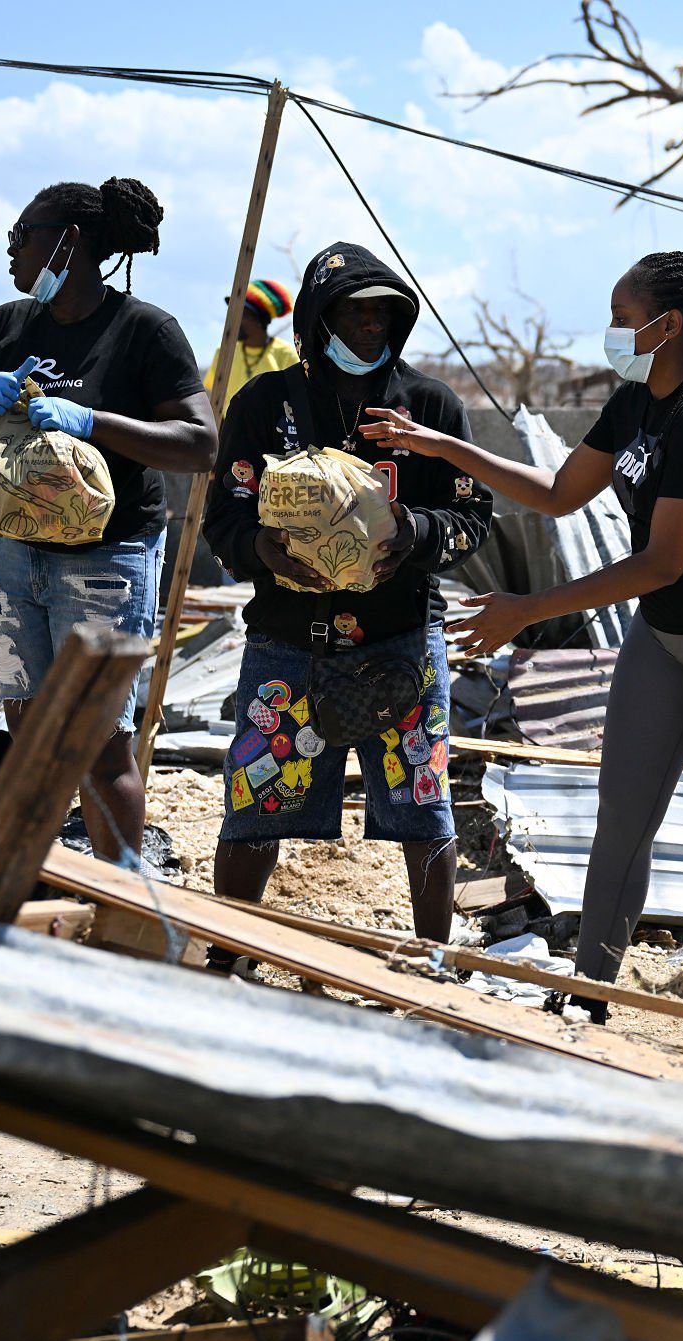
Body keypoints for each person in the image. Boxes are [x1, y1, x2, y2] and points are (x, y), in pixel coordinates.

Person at [357, 250, 683, 1080]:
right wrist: (439, 443)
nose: (611, 332)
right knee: (622, 820)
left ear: (668, 326)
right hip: (666, 633)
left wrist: (526, 610)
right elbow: (556, 492)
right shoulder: (635, 402)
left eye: (622, 317)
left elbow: (662, 562)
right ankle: (589, 1001)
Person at [201, 242, 491, 962]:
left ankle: (429, 964)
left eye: (383, 314)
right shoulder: (264, 405)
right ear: (317, 319)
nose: (370, 326)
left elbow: (472, 514)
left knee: (423, 803)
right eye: (354, 313)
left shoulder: (428, 407)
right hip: (286, 640)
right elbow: (223, 513)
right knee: (256, 801)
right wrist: (260, 547)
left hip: (400, 641)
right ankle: (227, 956)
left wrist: (415, 533)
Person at [0, 177, 215, 863]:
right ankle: (31, 875)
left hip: (106, 560)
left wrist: (93, 422)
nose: (11, 250)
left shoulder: (144, 331)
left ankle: (118, 893)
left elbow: (201, 444)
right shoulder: (6, 327)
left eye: (21, 235)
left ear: (69, 241)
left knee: (98, 744)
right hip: (14, 557)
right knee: (29, 734)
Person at [205, 278, 300, 416]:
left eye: (242, 315)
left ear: (260, 320)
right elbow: (213, 396)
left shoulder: (286, 354)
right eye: (232, 313)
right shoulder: (224, 352)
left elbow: (296, 400)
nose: (234, 320)